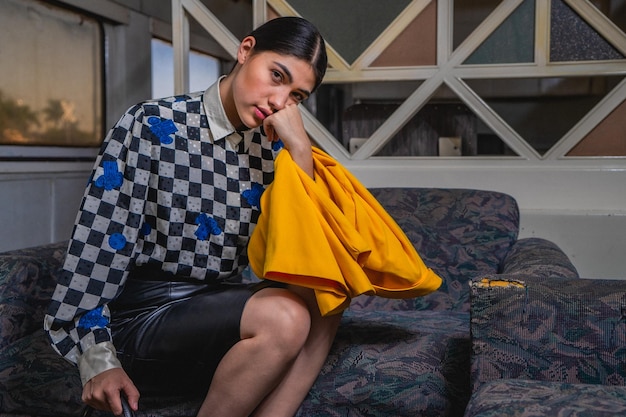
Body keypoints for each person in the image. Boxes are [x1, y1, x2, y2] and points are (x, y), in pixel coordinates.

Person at [44, 16, 340, 417]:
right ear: (246, 50)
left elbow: (305, 253)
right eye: (276, 75)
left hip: (213, 309)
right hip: (143, 315)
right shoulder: (150, 124)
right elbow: (97, 245)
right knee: (285, 317)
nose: (279, 101)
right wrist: (99, 361)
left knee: (329, 298)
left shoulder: (275, 151)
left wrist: (300, 151)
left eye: (297, 96)